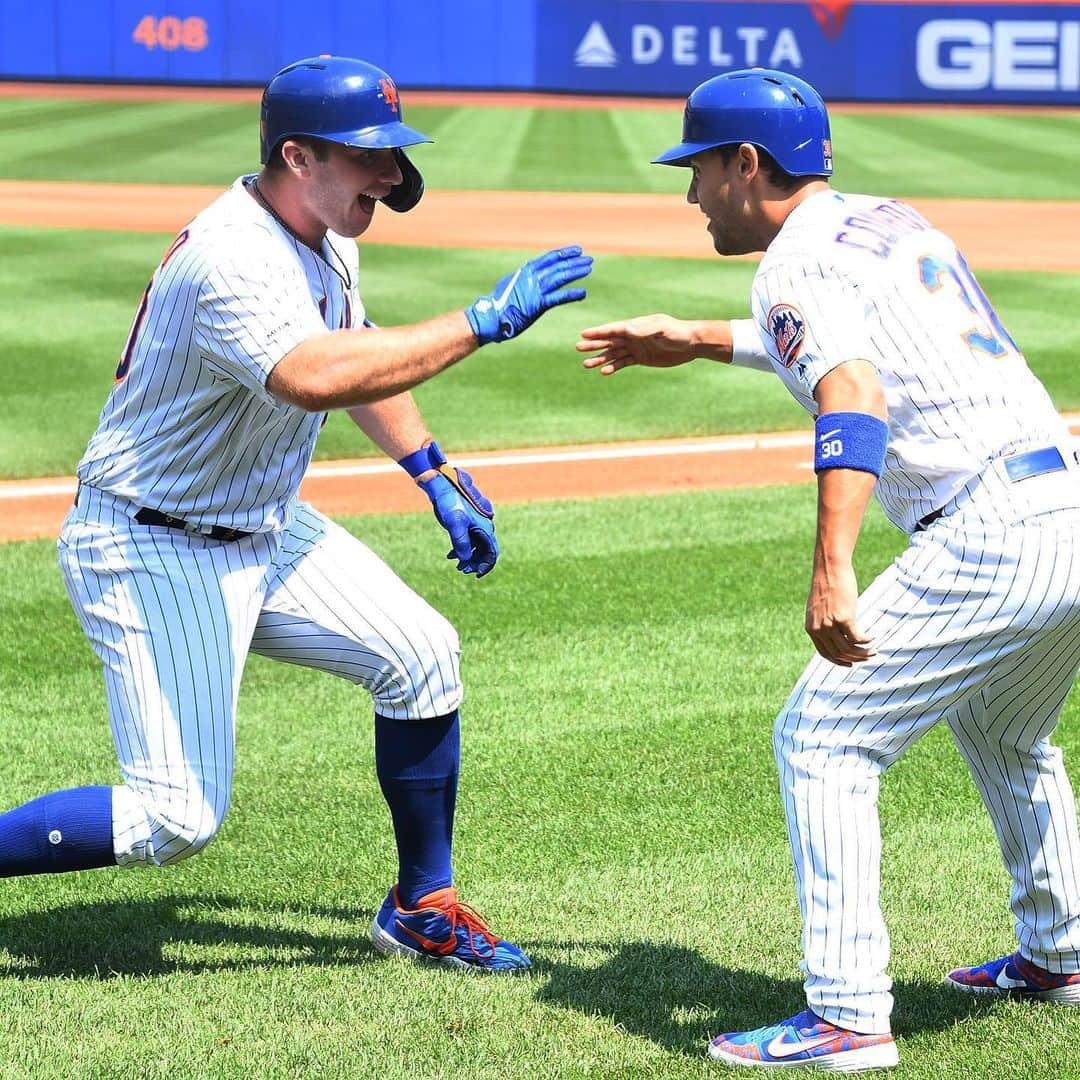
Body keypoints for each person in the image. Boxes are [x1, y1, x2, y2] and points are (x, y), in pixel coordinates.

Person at [0, 55, 592, 973]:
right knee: (175, 819)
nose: (392, 177)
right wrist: (480, 321)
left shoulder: (324, 228)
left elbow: (352, 347)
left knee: (422, 655)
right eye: (373, 157)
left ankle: (421, 906)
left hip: (263, 524)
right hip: (155, 544)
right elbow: (310, 377)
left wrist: (429, 469)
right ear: (298, 154)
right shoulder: (231, 253)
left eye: (394, 155)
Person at [577, 68, 1080, 1069]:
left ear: (746, 164)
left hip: (988, 528)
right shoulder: (884, 220)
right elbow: (880, 341)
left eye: (701, 170)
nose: (692, 194)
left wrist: (832, 569)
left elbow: (851, 394)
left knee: (821, 738)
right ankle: (1061, 956)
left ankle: (848, 1016)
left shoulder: (787, 268)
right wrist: (708, 340)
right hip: (1064, 503)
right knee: (1004, 727)